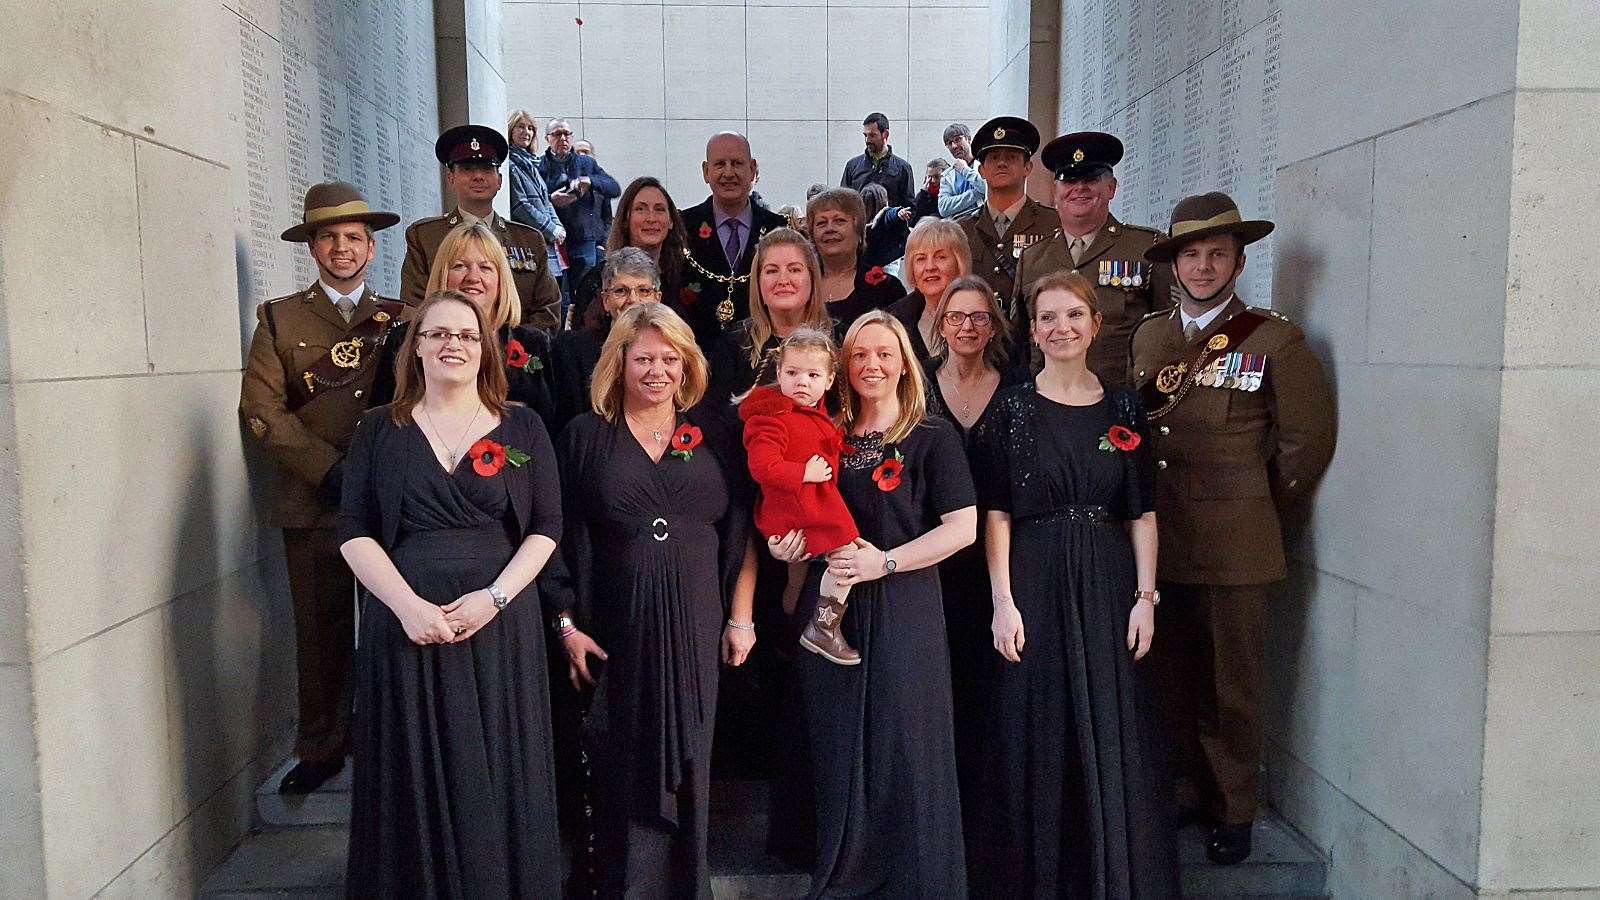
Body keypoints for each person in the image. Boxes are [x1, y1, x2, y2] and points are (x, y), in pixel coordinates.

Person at [1131, 191, 1336, 865]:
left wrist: (1254, 506)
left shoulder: (1275, 340)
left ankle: (1234, 807)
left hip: (1238, 545)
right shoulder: (1152, 336)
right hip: (1163, 542)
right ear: (1174, 265)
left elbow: (1305, 443)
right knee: (1171, 676)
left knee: (1233, 684)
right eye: (1190, 254)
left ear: (1240, 261)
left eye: (1217, 254)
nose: (1202, 266)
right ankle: (1187, 788)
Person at [338, 291, 564, 896]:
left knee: (494, 767)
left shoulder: (525, 426)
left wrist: (494, 598)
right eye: (437, 334)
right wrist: (406, 607)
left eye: (465, 335)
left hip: (499, 624)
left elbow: (546, 529)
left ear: (485, 347)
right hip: (406, 625)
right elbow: (353, 532)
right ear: (416, 348)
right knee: (414, 771)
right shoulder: (378, 430)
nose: (452, 345)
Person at [968, 270, 1177, 897]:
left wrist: (1146, 597)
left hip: (1110, 580)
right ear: (1033, 330)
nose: (1061, 328)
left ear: (1095, 324)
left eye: (1073, 315)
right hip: (1033, 575)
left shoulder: (1123, 404)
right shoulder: (1013, 406)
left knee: (1111, 722)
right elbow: (997, 512)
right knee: (1037, 718)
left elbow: (1142, 511)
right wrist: (1002, 601)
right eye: (1048, 317)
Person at [548, 302, 757, 897]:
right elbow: (553, 539)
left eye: (670, 358)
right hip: (615, 622)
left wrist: (741, 616)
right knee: (621, 754)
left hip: (698, 619)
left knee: (692, 752)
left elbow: (744, 531)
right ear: (619, 362)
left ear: (688, 363)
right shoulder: (585, 437)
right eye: (644, 358)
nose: (658, 370)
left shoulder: (716, 431)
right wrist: (565, 627)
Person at [768, 310, 976, 896]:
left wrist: (883, 562)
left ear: (904, 361)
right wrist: (788, 547)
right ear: (842, 366)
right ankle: (841, 869)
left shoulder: (931, 435)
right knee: (835, 739)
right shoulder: (823, 432)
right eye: (859, 355)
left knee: (903, 740)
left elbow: (963, 527)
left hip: (905, 603)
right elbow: (797, 513)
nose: (871, 365)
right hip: (829, 609)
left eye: (884, 353)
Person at [240, 181, 405, 796]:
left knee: (393, 623)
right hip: (313, 500)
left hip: (388, 500)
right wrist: (325, 469)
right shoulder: (280, 319)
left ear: (370, 248)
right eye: (330, 237)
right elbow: (260, 408)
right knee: (320, 628)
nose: (342, 247)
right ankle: (322, 744)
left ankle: (389, 738)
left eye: (354, 238)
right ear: (312, 247)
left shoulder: (402, 318)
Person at [921, 275, 1021, 864]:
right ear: (940, 323)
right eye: (956, 316)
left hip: (995, 563)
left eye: (979, 317)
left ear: (995, 326)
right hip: (929, 562)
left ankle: (986, 820)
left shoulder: (1015, 391)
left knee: (990, 688)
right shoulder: (918, 388)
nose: (966, 327)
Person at [739, 329, 862, 664]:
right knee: (847, 553)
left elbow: (818, 441)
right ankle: (823, 628)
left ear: (828, 379)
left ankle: (793, 635)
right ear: (778, 374)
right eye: (792, 373)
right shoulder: (772, 415)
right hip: (794, 507)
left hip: (807, 506)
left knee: (799, 577)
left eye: (812, 375)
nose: (802, 382)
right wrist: (803, 473)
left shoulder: (817, 414)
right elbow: (762, 467)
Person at [1011, 131, 1171, 384]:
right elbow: (1019, 340)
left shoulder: (1147, 248)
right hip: (1047, 404)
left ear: (1111, 188)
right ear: (1055, 191)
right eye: (1069, 180)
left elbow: (1167, 332)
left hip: (1120, 402)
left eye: (1090, 179)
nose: (1079, 188)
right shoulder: (1032, 257)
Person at [372, 222, 556, 428]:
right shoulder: (404, 339)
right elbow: (382, 422)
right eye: (460, 266)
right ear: (442, 273)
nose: (473, 277)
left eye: (485, 268)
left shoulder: (533, 343)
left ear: (501, 279)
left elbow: (550, 424)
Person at [402, 125, 562, 329]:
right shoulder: (425, 237)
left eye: (487, 168)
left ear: (500, 181)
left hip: (513, 354)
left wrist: (514, 350)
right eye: (467, 169)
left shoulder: (528, 240)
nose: (478, 176)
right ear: (450, 178)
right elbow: (414, 306)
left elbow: (548, 310)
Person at [679, 131, 789, 348]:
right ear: (706, 171)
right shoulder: (683, 227)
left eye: (737, 163)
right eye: (720, 164)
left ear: (752, 169)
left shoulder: (780, 229)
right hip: (696, 356)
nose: (728, 173)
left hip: (762, 355)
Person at [704, 227, 834, 409]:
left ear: (812, 278)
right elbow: (716, 414)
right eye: (772, 271)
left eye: (794, 269)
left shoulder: (838, 341)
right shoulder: (734, 343)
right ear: (758, 282)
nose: (783, 280)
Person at [549, 247, 663, 434]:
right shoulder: (572, 350)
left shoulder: (675, 349)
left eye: (643, 291)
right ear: (605, 300)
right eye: (621, 291)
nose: (633, 300)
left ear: (657, 298)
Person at [955, 116, 1056, 311]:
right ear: (982, 170)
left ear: (1028, 167)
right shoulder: (961, 230)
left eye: (1011, 157)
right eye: (993, 158)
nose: (1001, 163)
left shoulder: (1053, 225)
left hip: (1032, 338)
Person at [539, 118, 622, 327]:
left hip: (583, 240)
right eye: (557, 134)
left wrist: (589, 182)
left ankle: (584, 334)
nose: (563, 139)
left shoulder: (585, 164)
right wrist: (553, 199)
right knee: (557, 295)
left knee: (586, 292)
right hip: (554, 241)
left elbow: (614, 188)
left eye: (567, 134)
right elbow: (536, 201)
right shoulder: (540, 166)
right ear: (548, 139)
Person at [576, 176, 686, 332]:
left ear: (671, 221)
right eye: (640, 209)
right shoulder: (597, 279)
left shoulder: (684, 276)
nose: (651, 218)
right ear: (626, 219)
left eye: (659, 209)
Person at [885, 217, 973, 379]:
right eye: (921, 258)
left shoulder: (982, 316)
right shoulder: (894, 321)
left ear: (959, 262)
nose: (930, 267)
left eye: (941, 257)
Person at [807, 187, 904, 328]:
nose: (830, 229)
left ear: (859, 231)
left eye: (839, 221)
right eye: (821, 223)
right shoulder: (800, 285)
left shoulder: (887, 289)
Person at [507, 109, 567, 298]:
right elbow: (521, 206)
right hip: (527, 245)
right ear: (510, 130)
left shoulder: (532, 164)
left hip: (545, 244)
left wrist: (558, 226)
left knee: (554, 299)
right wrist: (551, 229)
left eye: (530, 128)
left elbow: (546, 202)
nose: (526, 132)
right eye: (520, 126)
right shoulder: (510, 165)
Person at [841, 112, 915, 208]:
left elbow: (909, 207)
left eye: (872, 135)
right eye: (865, 135)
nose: (867, 140)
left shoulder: (903, 168)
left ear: (885, 134)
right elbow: (843, 201)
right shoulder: (852, 165)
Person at [938, 122, 986, 218]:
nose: (954, 146)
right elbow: (943, 208)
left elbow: (989, 189)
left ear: (968, 139)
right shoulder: (948, 175)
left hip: (983, 223)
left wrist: (965, 170)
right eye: (949, 143)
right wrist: (976, 192)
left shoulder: (985, 164)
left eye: (957, 140)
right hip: (958, 227)